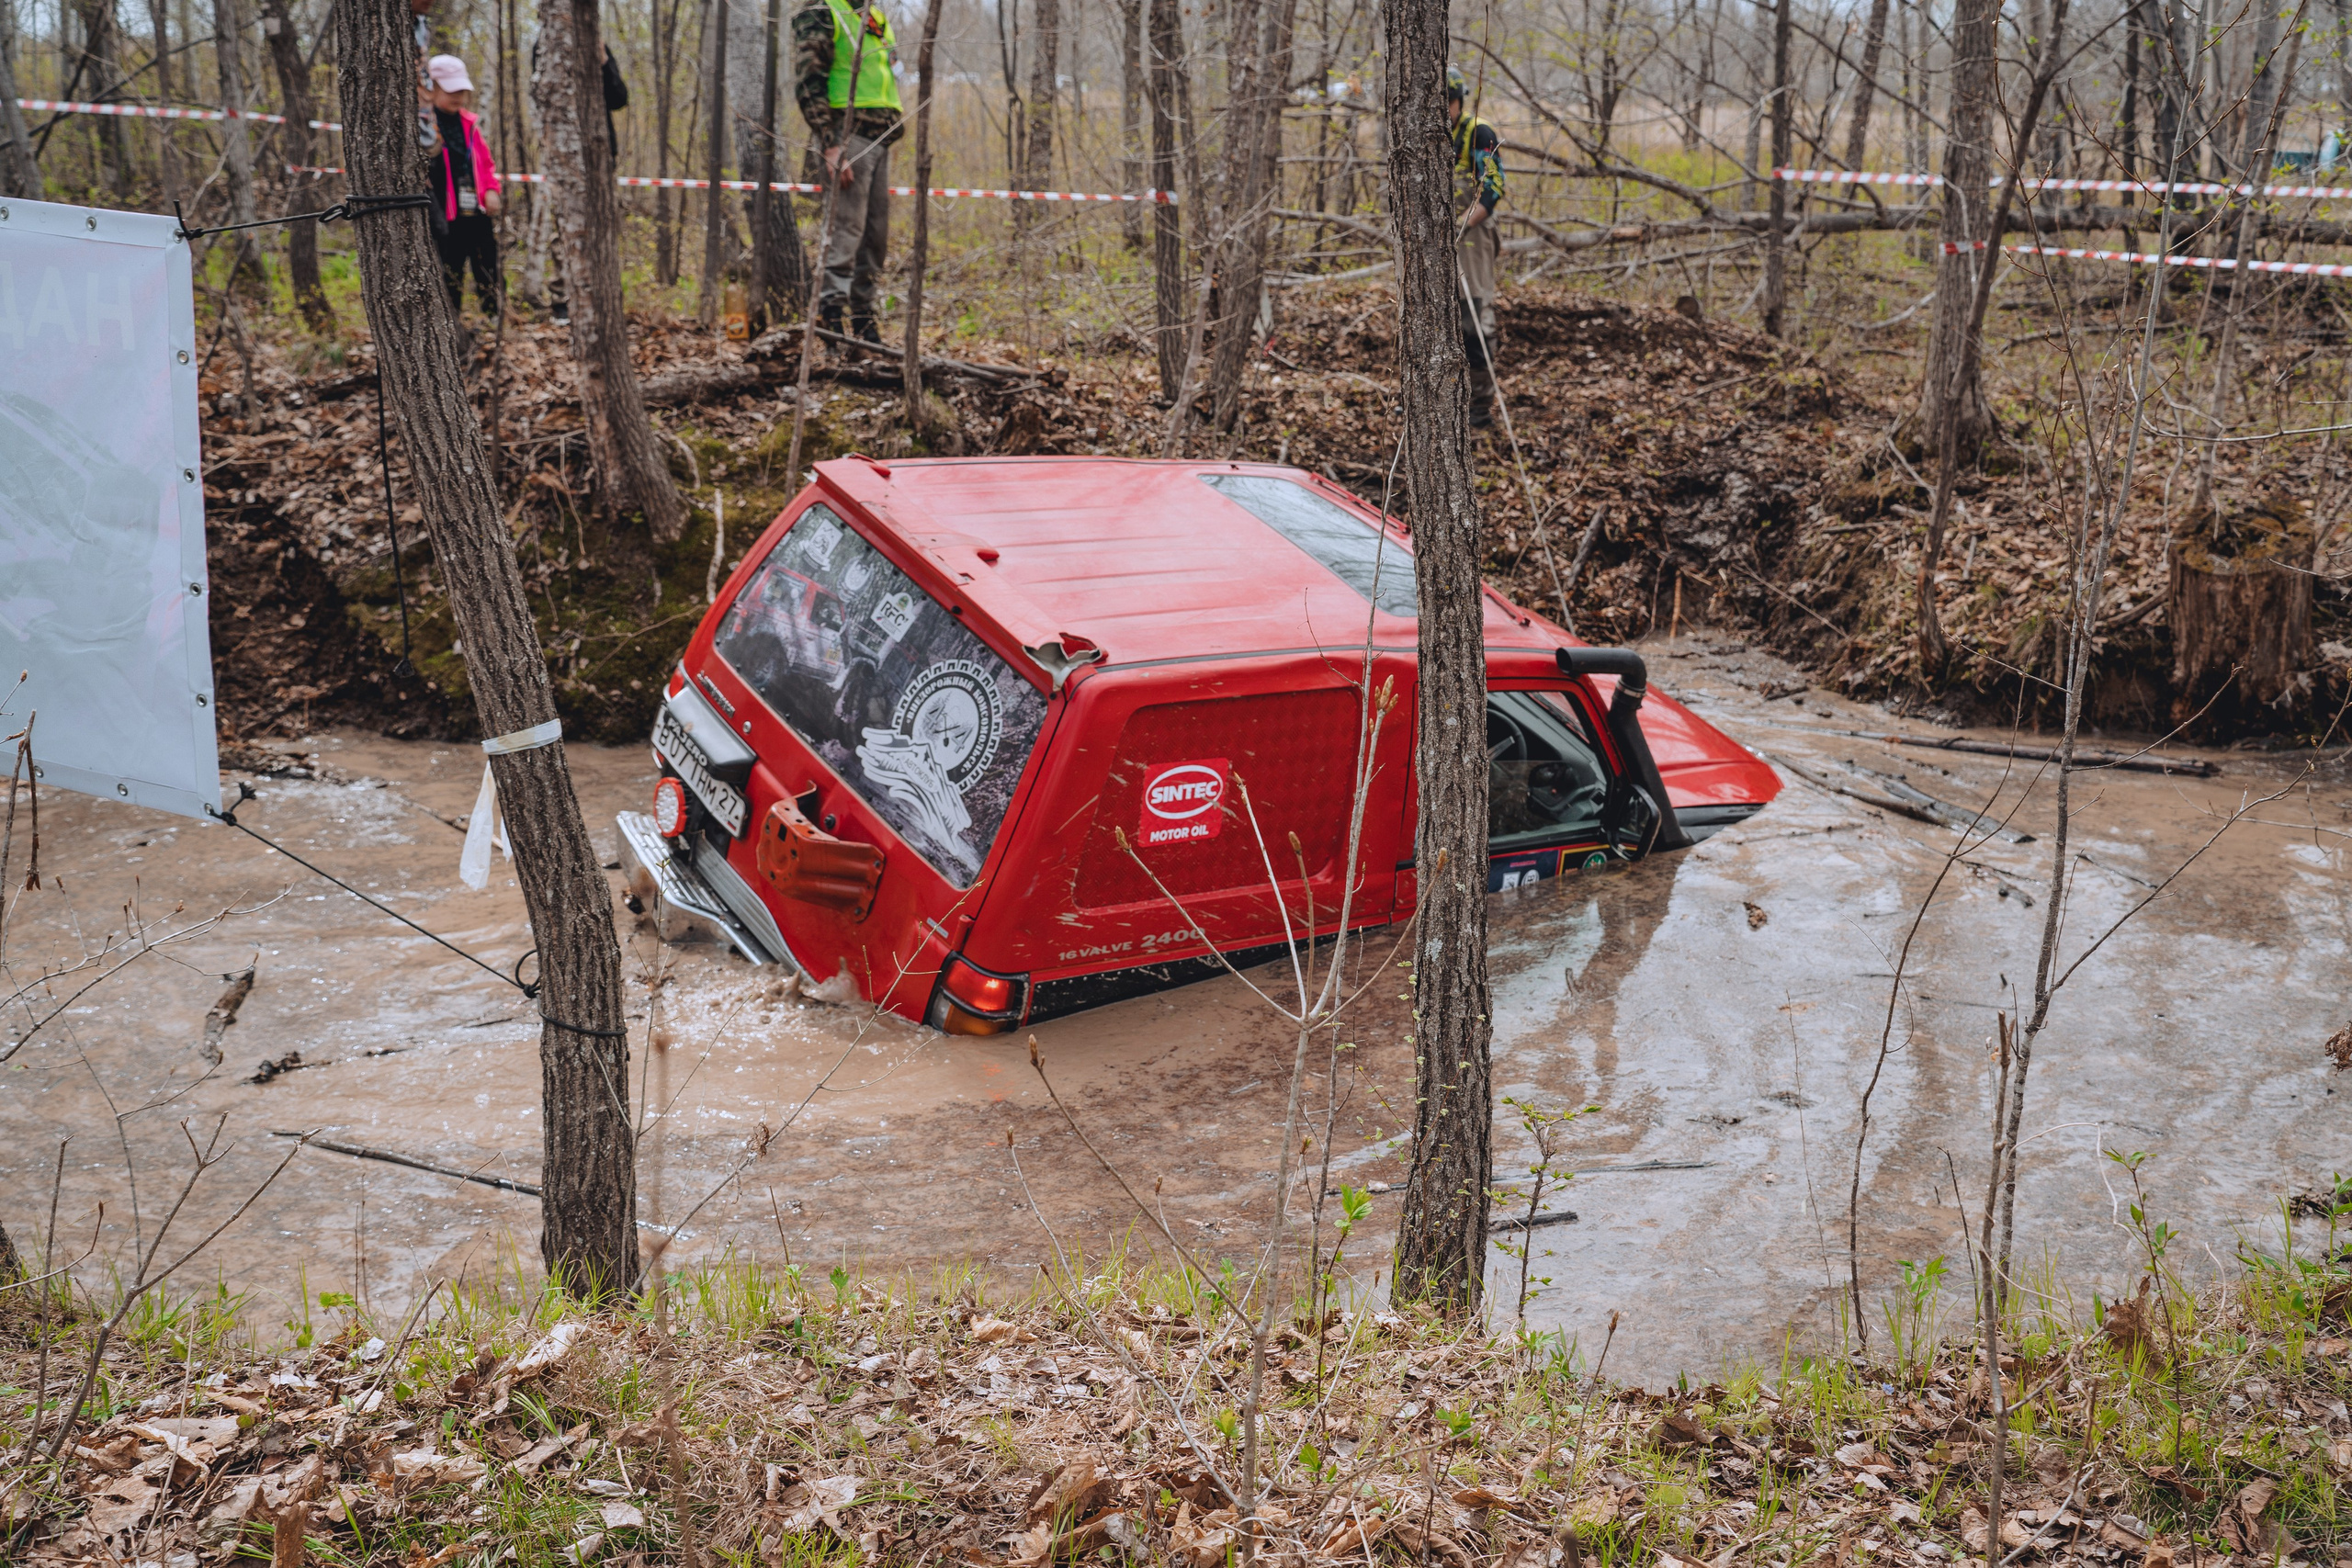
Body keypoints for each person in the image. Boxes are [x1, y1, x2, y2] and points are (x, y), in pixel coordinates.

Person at [792, 0, 901, 343]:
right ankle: (832, 322)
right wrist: (831, 144)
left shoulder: (874, 15)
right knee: (845, 232)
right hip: (848, 137)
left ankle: (864, 322)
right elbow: (809, 81)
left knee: (874, 237)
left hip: (880, 137)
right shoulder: (823, 10)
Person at [1447, 64, 1506, 429]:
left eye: (1447, 102)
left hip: (1473, 233)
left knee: (1474, 319)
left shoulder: (1478, 132)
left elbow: (1494, 188)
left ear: (1458, 100)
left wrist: (1463, 224)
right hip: (1438, 240)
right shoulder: (1427, 133)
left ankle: (1480, 406)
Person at [426, 55, 503, 320]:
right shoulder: (426, 125)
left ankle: (493, 315)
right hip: (445, 214)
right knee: (451, 266)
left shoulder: (470, 124)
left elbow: (486, 163)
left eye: (461, 90)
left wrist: (491, 189)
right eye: (451, 90)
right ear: (433, 88)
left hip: (476, 210)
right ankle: (452, 319)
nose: (458, 96)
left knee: (487, 261)